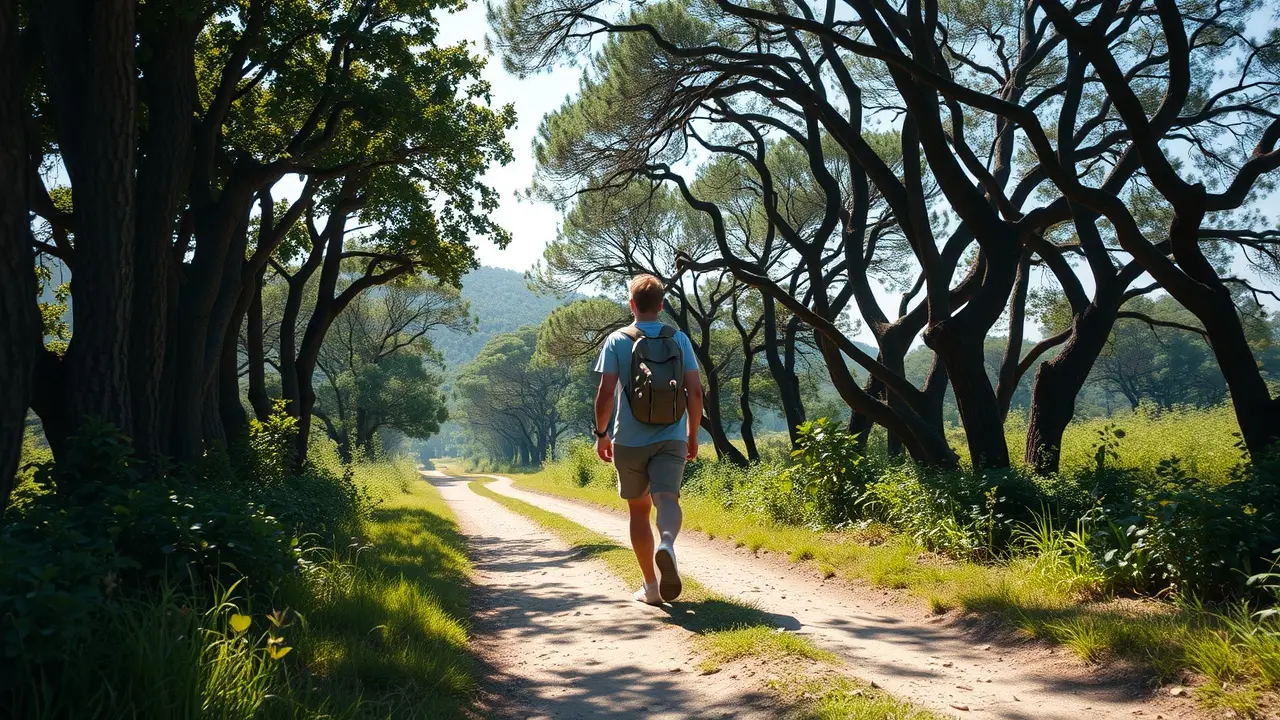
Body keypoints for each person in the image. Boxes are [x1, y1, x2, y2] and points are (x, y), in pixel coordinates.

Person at [593, 274, 703, 605]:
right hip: (671, 436)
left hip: (629, 438)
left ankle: (651, 588)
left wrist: (601, 434)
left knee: (639, 512)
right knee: (667, 498)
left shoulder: (617, 340)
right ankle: (667, 543)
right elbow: (695, 392)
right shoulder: (680, 339)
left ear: (631, 305)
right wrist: (692, 434)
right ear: (661, 304)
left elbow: (606, 393)